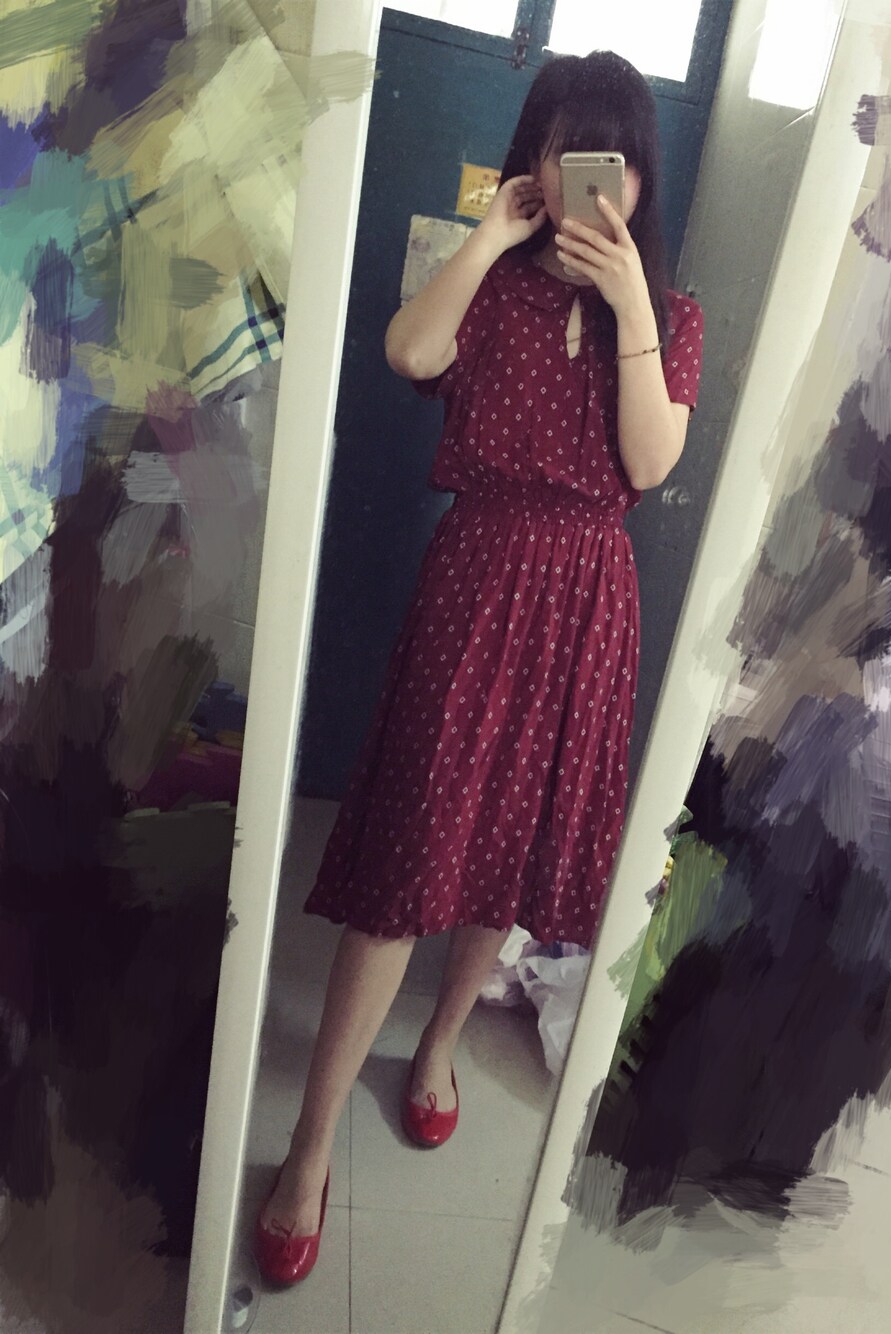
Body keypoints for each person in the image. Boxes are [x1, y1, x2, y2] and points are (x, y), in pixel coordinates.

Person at [253, 48, 703, 1285]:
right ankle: (307, 1143)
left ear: (639, 176)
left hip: (585, 603)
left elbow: (649, 463)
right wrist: (490, 234)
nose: (585, 179)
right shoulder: (491, 284)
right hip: (478, 581)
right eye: (562, 150)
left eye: (608, 158)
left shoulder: (669, 318)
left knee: (506, 846)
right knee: (409, 855)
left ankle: (442, 1041)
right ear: (533, 159)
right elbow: (407, 351)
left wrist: (629, 305)